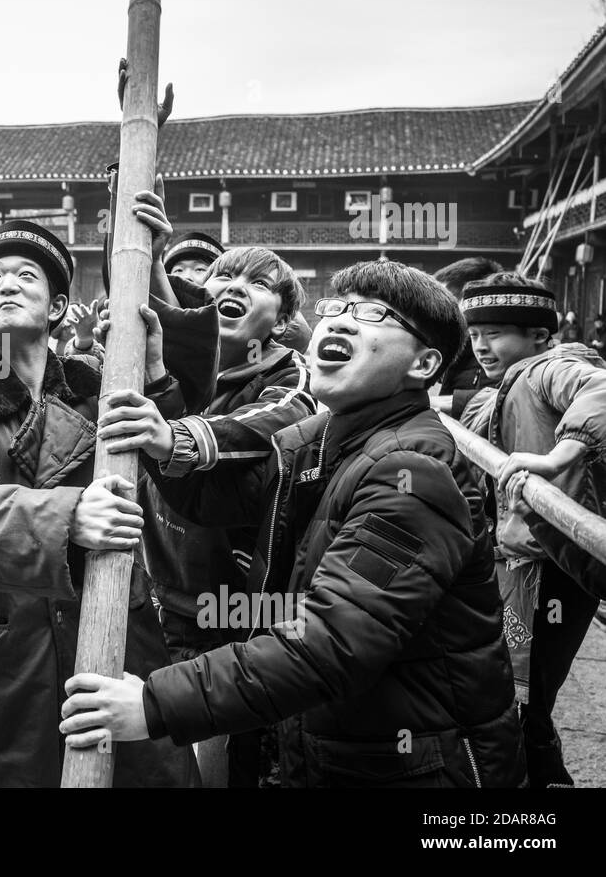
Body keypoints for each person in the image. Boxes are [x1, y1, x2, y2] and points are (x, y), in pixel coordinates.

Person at [62, 260, 526, 788]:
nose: (341, 322)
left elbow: (332, 642)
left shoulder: (411, 472)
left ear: (422, 365)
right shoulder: (317, 443)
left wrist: (151, 703)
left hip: (413, 767)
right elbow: (212, 502)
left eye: (374, 315)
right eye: (335, 308)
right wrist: (160, 406)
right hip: (335, 747)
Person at [0, 201, 220, 788]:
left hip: (112, 631)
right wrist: (71, 516)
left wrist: (155, 372)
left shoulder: (97, 385)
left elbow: (177, 450)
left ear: (56, 308)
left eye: (27, 275)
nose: (7, 284)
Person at [141, 246, 316, 787]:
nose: (234, 286)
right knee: (153, 743)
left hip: (231, 608)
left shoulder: (292, 381)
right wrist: (145, 249)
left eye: (257, 283)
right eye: (223, 277)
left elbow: (274, 421)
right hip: (158, 593)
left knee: (219, 755)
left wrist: (181, 437)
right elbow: (153, 307)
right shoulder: (176, 371)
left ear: (283, 322)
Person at [458, 273, 606, 787]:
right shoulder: (491, 394)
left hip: (554, 570)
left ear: (540, 335)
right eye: (474, 333)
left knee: (524, 698)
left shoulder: (553, 368)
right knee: (514, 692)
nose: (481, 345)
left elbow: (602, 389)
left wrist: (561, 453)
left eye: (496, 332)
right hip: (515, 569)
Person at [431, 257, 502, 418]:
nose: (436, 311)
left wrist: (432, 402)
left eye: (446, 301)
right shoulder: (457, 344)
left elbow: (504, 398)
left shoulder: (496, 351)